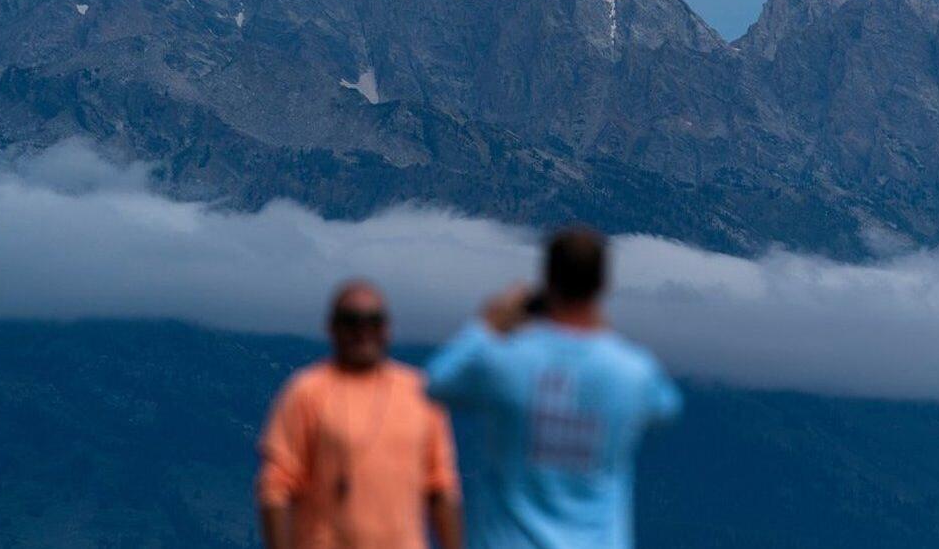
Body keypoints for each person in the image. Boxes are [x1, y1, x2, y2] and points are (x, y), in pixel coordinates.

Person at [426, 226, 682, 549]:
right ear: (603, 284)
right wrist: (603, 335)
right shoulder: (631, 371)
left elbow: (438, 381)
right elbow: (666, 405)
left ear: (546, 280)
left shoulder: (507, 361)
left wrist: (488, 323)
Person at [257, 280, 464, 549]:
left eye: (373, 321)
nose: (362, 330)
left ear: (387, 329)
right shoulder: (306, 392)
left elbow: (442, 488)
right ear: (333, 328)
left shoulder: (420, 395)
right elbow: (276, 487)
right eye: (351, 321)